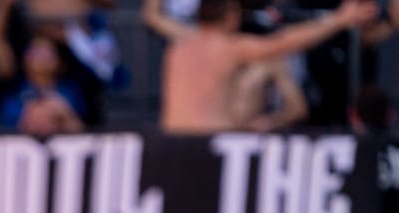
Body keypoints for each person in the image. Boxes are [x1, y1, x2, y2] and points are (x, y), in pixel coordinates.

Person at [158, 0, 377, 133]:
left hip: (172, 143)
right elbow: (283, 42)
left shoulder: (178, 49)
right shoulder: (227, 47)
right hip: (212, 146)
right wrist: (338, 20)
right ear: (230, 16)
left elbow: (153, 17)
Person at [143, 0, 308, 131]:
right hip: (202, 137)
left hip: (242, 142)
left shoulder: (267, 56)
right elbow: (153, 17)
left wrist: (270, 122)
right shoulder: (200, 42)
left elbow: (297, 108)